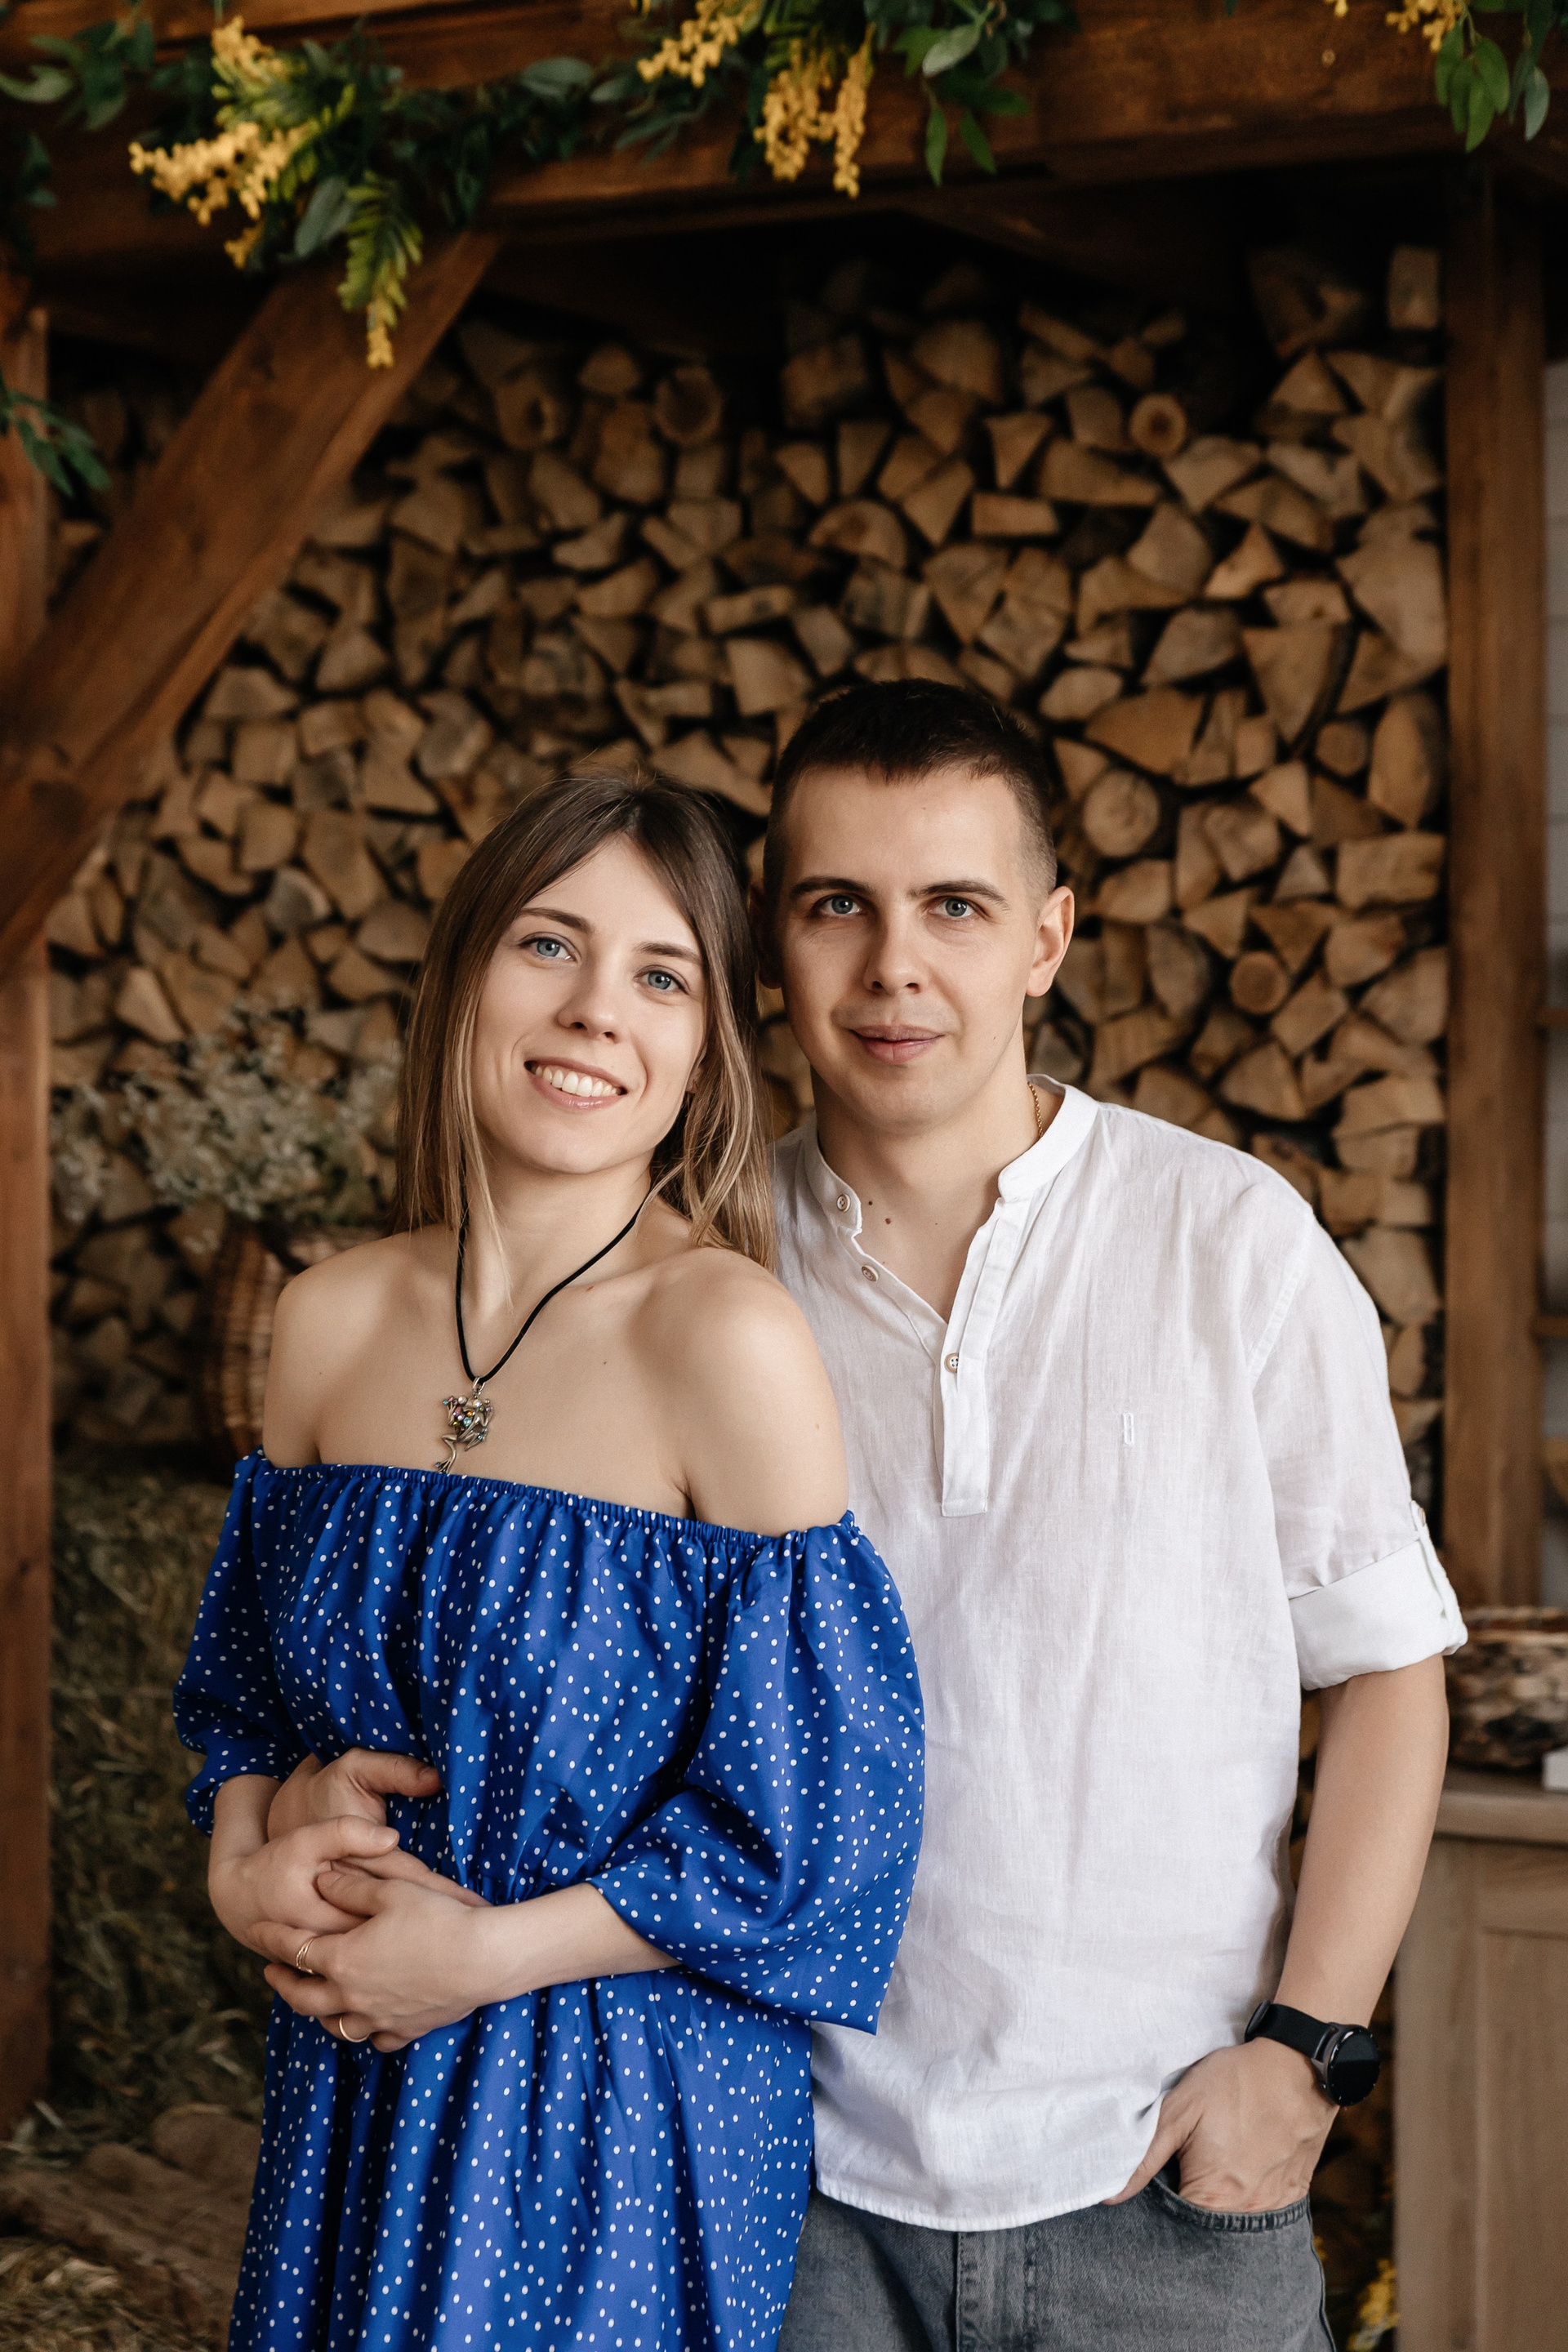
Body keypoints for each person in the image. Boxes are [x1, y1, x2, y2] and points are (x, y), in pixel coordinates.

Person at [172, 770, 924, 2352]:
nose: (596, 1010)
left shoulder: (727, 1343)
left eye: (663, 977)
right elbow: (238, 1706)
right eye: (548, 945)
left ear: (708, 1050)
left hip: (614, 2106)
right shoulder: (326, 1322)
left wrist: (483, 1957)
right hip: (353, 2075)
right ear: (465, 972)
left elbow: (820, 1837)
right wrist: (244, 1861)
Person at [756, 680, 1463, 2352]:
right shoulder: (705, 1260)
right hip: (796, 2183)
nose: (894, 965)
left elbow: (1386, 1669)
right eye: (837, 904)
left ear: (1047, 938)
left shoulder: (1230, 1241)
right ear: (771, 943)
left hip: (1163, 2190)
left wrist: (1305, 2057)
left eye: (955, 905)